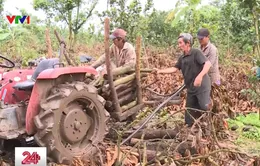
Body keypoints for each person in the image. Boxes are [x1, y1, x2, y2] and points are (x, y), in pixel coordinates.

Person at [155, 33, 212, 127]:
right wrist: (160, 71)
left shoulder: (196, 53)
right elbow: (174, 69)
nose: (179, 45)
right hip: (191, 88)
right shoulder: (182, 58)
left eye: (181, 43)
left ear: (188, 43)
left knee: (204, 107)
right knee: (189, 113)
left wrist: (200, 76)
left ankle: (211, 125)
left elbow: (208, 64)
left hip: (202, 86)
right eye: (178, 43)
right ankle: (189, 130)